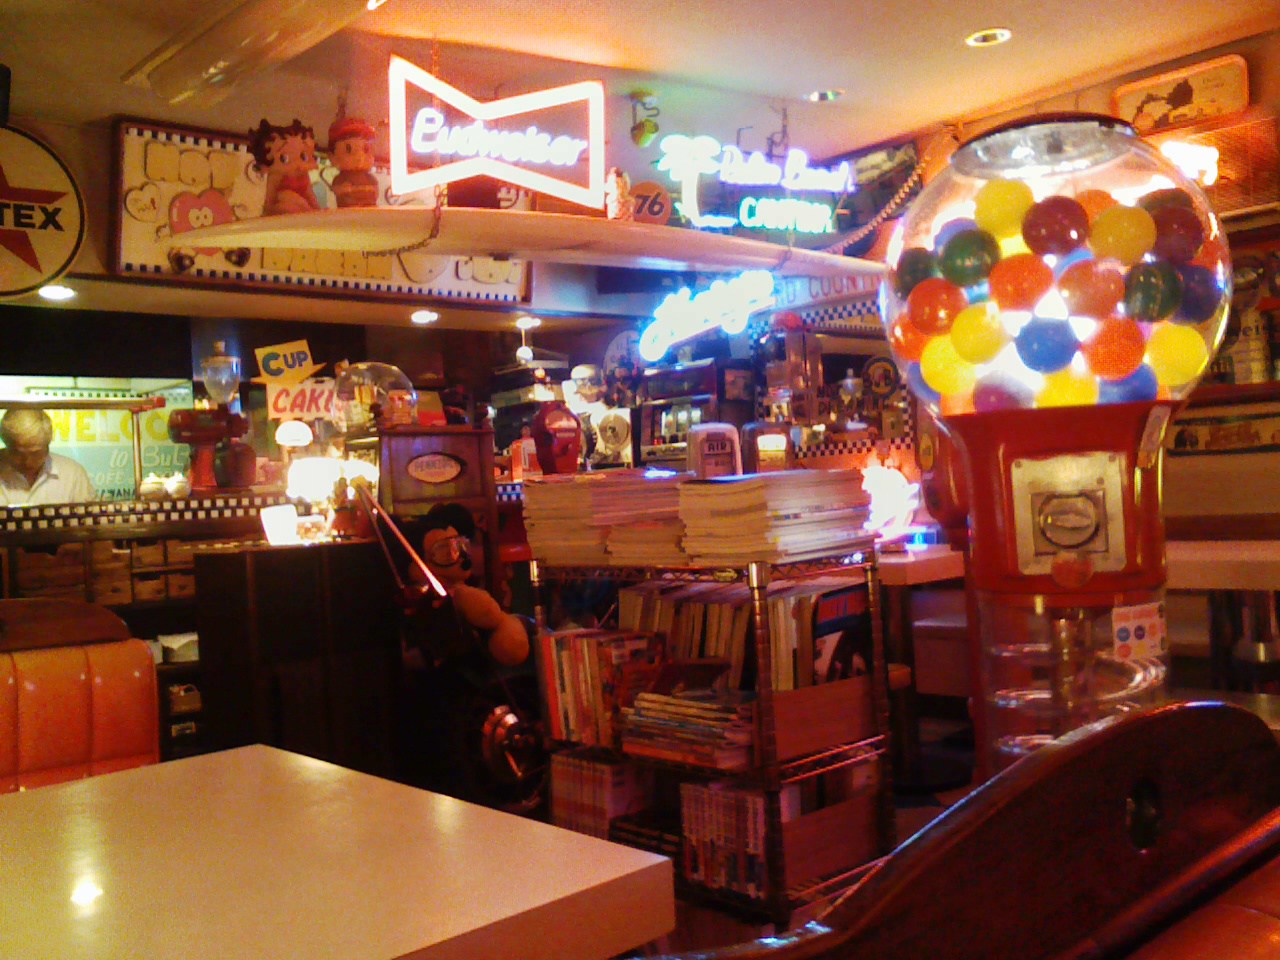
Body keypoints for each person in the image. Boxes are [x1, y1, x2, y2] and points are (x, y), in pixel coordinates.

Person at [0, 408, 96, 505]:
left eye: (35, 453)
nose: (27, 462)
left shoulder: (72, 474)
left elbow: (91, 513)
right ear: (6, 444)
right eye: (18, 453)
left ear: (48, 444)